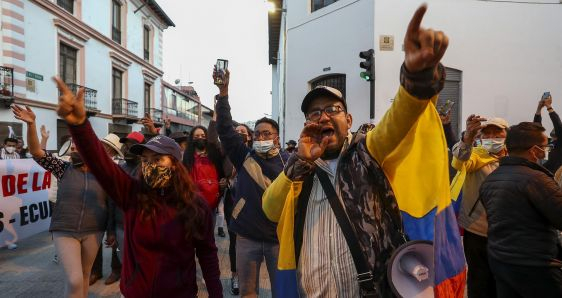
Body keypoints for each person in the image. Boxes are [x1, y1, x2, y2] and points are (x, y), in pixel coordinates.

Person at [262, 5, 449, 296]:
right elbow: (270, 209)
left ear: (348, 121)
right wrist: (298, 163)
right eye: (313, 113)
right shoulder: (299, 172)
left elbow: (398, 121)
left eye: (332, 110)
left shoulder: (368, 153)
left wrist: (417, 79)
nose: (322, 117)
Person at [53, 78, 222, 297]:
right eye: (146, 160)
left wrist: (216, 294)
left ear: (175, 164)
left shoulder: (195, 205)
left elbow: (207, 254)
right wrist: (79, 124)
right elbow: (100, 163)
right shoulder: (132, 194)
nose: (150, 165)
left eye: (158, 160)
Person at [12, 104, 109, 298]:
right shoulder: (63, 168)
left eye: (77, 143)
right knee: (74, 280)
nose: (72, 146)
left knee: (85, 275)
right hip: (65, 230)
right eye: (71, 144)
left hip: (94, 230)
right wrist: (31, 124)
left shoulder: (104, 172)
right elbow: (37, 153)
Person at [215, 68, 289, 297]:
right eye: (257, 134)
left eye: (266, 133)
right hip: (246, 238)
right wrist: (223, 93)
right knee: (248, 292)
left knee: (282, 291)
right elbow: (225, 130)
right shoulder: (244, 155)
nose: (261, 137)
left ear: (277, 137)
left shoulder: (290, 163)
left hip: (279, 240)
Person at [480, 122, 562, 298]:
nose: (546, 150)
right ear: (534, 150)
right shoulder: (537, 179)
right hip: (535, 266)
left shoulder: (492, 179)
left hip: (501, 260)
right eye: (545, 146)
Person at [451, 114, 508, 298]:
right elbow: (459, 160)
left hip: (508, 231)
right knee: (479, 279)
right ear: (480, 137)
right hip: (477, 230)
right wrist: (467, 138)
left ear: (507, 135)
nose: (492, 138)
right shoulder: (476, 155)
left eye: (497, 134)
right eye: (487, 134)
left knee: (505, 278)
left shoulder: (515, 157)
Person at [183, 125, 226, 213]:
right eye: (197, 136)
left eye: (203, 136)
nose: (200, 138)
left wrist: (223, 182)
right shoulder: (187, 157)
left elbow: (222, 173)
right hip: (193, 206)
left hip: (213, 204)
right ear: (192, 139)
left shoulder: (215, 155)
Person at [533, 93, 562, 173]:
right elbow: (536, 130)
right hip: (547, 173)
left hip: (558, 176)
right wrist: (539, 109)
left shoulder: (560, 143)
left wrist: (549, 107)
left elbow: (558, 126)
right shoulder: (549, 142)